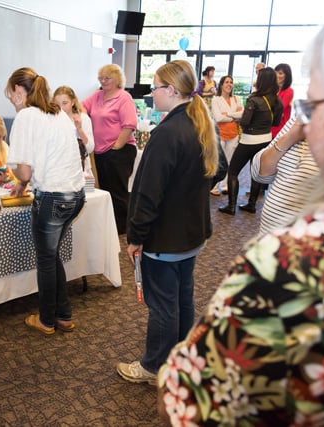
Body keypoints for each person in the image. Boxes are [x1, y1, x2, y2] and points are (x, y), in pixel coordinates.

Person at [158, 0, 324, 424]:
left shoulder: (299, 263)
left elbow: (187, 402)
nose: (307, 118)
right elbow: (263, 170)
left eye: (314, 105)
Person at [116, 60, 219, 384]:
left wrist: (135, 237)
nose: (151, 94)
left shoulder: (167, 133)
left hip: (165, 239)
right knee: (182, 298)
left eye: (155, 87)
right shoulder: (201, 123)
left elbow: (147, 195)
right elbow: (220, 168)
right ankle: (180, 357)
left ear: (171, 90)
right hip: (191, 235)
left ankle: (153, 366)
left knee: (162, 304)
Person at [4, 67, 86, 335]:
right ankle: (63, 315)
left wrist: (19, 176)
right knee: (52, 257)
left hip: (52, 198)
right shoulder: (56, 113)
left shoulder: (27, 116)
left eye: (10, 93)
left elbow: (25, 169)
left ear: (18, 91)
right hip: (75, 195)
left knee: (46, 260)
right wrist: (23, 184)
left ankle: (46, 321)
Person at [218, 67, 282, 215]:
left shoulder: (254, 99)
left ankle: (231, 206)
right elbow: (276, 123)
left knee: (233, 171)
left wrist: (234, 117)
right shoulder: (277, 101)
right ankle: (251, 204)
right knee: (256, 171)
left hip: (249, 140)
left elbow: (245, 122)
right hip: (266, 139)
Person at [82, 64, 137, 234]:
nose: (103, 81)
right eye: (101, 78)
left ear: (117, 80)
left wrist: (116, 147)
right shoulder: (98, 96)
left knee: (117, 191)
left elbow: (129, 125)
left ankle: (121, 228)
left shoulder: (124, 97)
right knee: (104, 190)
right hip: (100, 151)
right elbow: (82, 107)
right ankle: (109, 225)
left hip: (119, 151)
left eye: (107, 78)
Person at [251, 115, 320, 235]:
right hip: (269, 234)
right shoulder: (302, 118)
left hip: (305, 241)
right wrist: (290, 137)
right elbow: (260, 173)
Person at [210, 75, 243, 196]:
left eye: (231, 82)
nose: (229, 84)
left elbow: (242, 114)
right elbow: (218, 117)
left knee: (229, 161)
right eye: (226, 82)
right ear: (221, 85)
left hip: (233, 134)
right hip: (220, 134)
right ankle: (213, 186)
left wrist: (228, 114)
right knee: (217, 161)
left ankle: (224, 185)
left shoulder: (236, 99)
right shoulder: (216, 99)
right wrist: (234, 116)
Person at [53, 85, 95, 177]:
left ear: (73, 102)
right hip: (59, 169)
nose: (61, 108)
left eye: (65, 103)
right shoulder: (52, 120)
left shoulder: (83, 119)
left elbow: (90, 148)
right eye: (57, 104)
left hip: (81, 170)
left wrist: (79, 129)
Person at [272, 63, 294, 137]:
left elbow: (279, 108)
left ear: (287, 76)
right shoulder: (273, 90)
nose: (277, 75)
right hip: (268, 128)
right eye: (276, 73)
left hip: (279, 129)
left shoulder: (289, 91)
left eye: (280, 73)